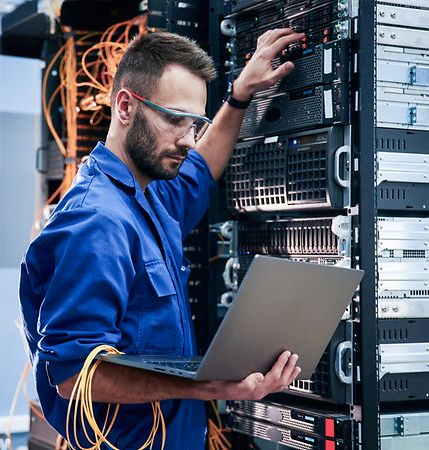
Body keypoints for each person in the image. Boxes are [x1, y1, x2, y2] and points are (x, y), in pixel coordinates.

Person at [20, 28, 305, 449]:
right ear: (124, 107)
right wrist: (212, 387)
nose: (188, 140)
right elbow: (73, 376)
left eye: (195, 124)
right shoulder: (97, 222)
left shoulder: (147, 194)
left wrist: (240, 95)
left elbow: (201, 168)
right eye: (174, 120)